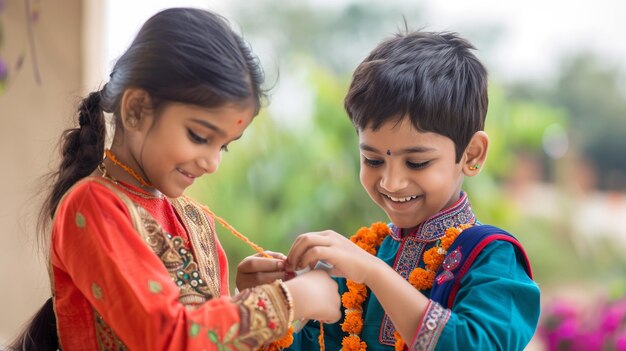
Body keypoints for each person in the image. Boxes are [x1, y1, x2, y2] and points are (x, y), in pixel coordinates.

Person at [7, 7, 341, 351]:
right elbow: (165, 338)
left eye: (223, 147)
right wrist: (288, 300)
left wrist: (246, 296)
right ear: (136, 109)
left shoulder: (194, 220)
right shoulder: (93, 207)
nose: (212, 163)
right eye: (199, 136)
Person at [242, 30, 541, 350]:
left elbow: (476, 344)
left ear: (471, 155)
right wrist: (269, 304)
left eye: (416, 162)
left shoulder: (492, 258)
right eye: (372, 160)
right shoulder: (365, 254)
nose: (391, 182)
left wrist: (375, 275)